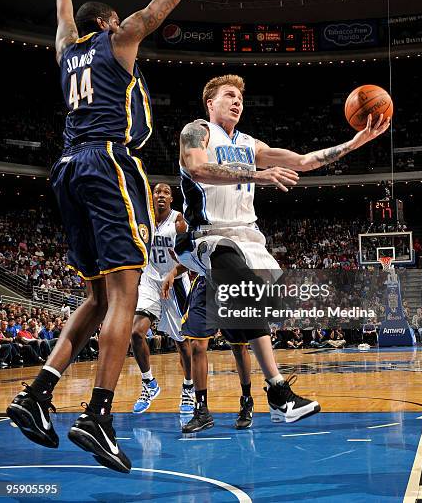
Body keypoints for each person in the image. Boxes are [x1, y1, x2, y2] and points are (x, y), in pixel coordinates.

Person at [7, 0, 216, 475]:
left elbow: (60, 26)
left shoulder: (65, 54)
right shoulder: (116, 40)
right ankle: (98, 415)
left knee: (98, 297)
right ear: (109, 23)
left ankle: (34, 395)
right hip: (107, 164)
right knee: (124, 297)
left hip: (66, 171)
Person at [176, 74, 389, 428]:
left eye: (240, 97)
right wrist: (258, 176)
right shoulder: (196, 131)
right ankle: (277, 391)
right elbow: (196, 168)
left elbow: (304, 161)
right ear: (210, 103)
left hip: (248, 238)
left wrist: (355, 142)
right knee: (244, 286)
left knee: (252, 313)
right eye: (229, 95)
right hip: (207, 235)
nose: (237, 101)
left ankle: (260, 383)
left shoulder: (248, 143)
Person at [131, 184, 194, 415]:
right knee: (136, 333)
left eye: (166, 192)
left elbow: (189, 256)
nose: (161, 195)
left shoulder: (179, 221)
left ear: (171, 198)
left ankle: (189, 387)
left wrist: (174, 270)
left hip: (176, 281)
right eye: (157, 192)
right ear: (152, 196)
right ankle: (149, 383)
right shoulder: (143, 219)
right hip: (150, 279)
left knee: (182, 342)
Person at [180, 276, 255, 432]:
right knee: (196, 344)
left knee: (238, 347)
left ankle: (247, 400)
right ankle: (202, 410)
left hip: (231, 282)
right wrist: (174, 271)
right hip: (204, 284)